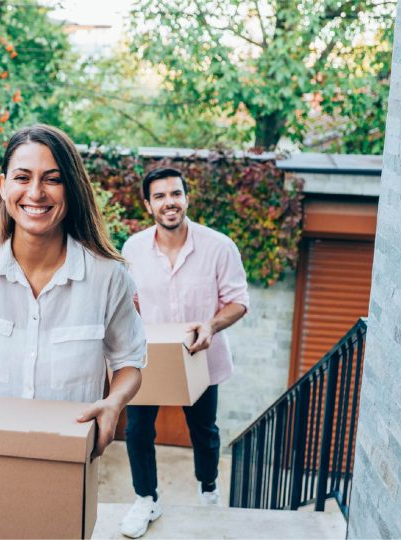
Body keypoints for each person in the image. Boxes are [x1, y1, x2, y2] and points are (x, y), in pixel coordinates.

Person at [0, 124, 145, 458]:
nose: (36, 193)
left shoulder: (108, 276)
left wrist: (114, 403)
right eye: (23, 177)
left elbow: (128, 360)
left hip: (65, 453)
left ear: (70, 189)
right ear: (3, 186)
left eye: (52, 179)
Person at [119, 167, 250, 538]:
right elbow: (131, 303)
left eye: (175, 194)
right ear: (148, 205)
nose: (169, 202)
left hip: (200, 358)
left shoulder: (219, 246)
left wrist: (210, 325)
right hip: (150, 359)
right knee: (138, 431)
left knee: (204, 432)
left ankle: (208, 488)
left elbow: (239, 301)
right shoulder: (132, 248)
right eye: (159, 196)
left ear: (187, 198)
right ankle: (146, 499)